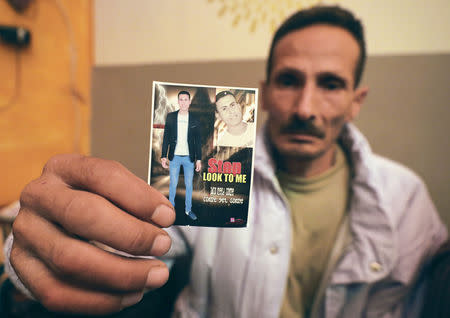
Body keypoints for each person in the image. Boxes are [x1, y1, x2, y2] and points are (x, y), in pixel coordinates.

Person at [3, 5, 448, 318]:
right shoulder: (208, 169)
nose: (305, 107)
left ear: (356, 101)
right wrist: (46, 242)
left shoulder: (406, 197)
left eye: (330, 84)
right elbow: (126, 245)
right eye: (289, 80)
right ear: (266, 89)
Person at [161, 91, 202, 221]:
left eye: (186, 100)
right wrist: (163, 155)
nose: (183, 102)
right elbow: (166, 137)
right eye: (181, 99)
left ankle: (188, 210)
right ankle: (171, 210)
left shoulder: (195, 119)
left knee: (189, 185)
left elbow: (198, 141)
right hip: (175, 156)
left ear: (189, 102)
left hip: (189, 157)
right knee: (173, 184)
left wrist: (199, 159)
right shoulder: (171, 117)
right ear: (178, 102)